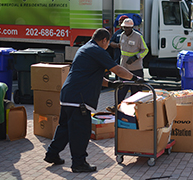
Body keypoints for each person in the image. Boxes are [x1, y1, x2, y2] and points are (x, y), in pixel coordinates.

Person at [44, 28, 144, 173]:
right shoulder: (98, 51)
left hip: (68, 95)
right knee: (81, 132)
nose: (107, 45)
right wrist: (136, 79)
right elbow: (118, 70)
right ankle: (78, 163)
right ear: (104, 40)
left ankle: (52, 154)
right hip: (80, 99)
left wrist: (110, 84)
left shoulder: (85, 48)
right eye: (108, 42)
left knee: (64, 128)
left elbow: (92, 75)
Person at [106, 18, 149, 112]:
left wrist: (136, 57)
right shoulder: (122, 35)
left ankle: (137, 110)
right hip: (124, 68)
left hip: (136, 68)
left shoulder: (138, 36)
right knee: (121, 89)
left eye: (128, 28)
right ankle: (116, 107)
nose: (126, 30)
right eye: (124, 28)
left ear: (132, 27)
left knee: (136, 91)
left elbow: (145, 50)